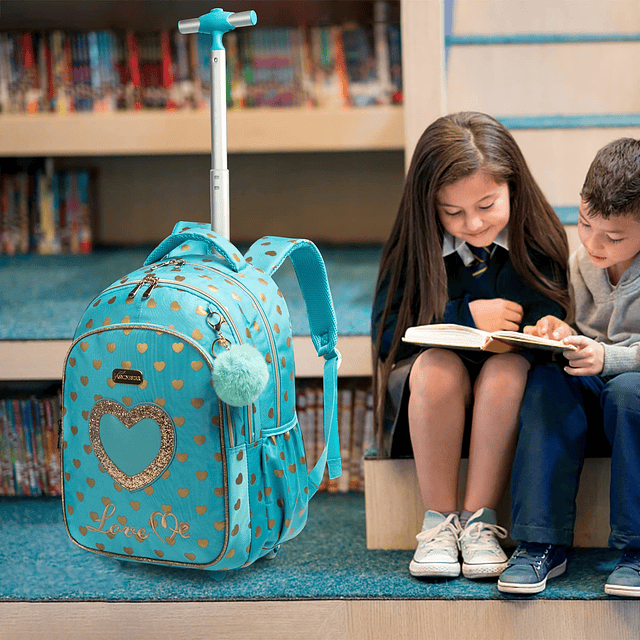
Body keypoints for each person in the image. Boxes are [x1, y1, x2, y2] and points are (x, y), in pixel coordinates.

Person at [371, 112, 571, 579]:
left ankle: (480, 521)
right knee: (439, 366)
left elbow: (554, 313)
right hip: (431, 388)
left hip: (508, 384)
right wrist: (464, 317)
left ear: (513, 188)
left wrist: (550, 328)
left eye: (487, 205)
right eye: (453, 212)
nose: (474, 223)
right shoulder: (412, 247)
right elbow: (387, 336)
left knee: (509, 370)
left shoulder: (538, 241)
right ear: (429, 206)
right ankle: (439, 523)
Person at [498, 138, 640, 596]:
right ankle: (541, 542)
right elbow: (581, 330)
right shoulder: (582, 263)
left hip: (632, 401)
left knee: (629, 392)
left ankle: (636, 551)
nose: (593, 243)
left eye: (613, 237)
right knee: (545, 380)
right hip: (595, 393)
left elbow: (613, 359)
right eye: (584, 224)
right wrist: (560, 330)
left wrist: (610, 358)